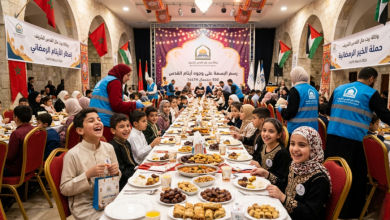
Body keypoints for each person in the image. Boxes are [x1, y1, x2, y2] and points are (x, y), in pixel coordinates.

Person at [325, 67, 390, 218]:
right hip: (354, 141)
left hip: (333, 137)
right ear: (372, 79)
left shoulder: (339, 89)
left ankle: (329, 205)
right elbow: (385, 115)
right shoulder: (370, 92)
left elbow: (328, 110)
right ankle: (349, 212)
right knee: (353, 177)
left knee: (332, 172)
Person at [257, 126, 331, 220]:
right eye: (292, 144)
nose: (295, 149)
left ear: (313, 148)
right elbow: (284, 185)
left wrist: (283, 198)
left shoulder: (319, 178)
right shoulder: (294, 166)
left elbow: (310, 214)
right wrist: (267, 174)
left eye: (302, 145)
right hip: (284, 212)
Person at [60, 108, 120, 220]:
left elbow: (117, 176)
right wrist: (87, 175)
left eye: (99, 119)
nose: (98, 122)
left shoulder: (109, 147)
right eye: (91, 121)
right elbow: (65, 188)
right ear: (80, 130)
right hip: (86, 206)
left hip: (109, 198)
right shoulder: (73, 154)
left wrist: (116, 172)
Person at [90, 64, 142, 142]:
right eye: (127, 75)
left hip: (96, 119)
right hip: (106, 121)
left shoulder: (104, 80)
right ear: (121, 73)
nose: (129, 78)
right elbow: (116, 105)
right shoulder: (115, 82)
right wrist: (134, 104)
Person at [279, 67, 319, 139]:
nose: (291, 79)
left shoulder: (295, 90)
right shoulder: (314, 90)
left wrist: (281, 109)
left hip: (297, 129)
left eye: (291, 77)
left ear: (296, 76)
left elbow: (290, 113)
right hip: (312, 129)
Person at [4, 105, 34, 177]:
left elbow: (9, 157)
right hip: (31, 166)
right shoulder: (35, 129)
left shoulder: (17, 133)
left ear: (16, 118)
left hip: (15, 169)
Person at [109, 113, 137, 191]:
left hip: (132, 175)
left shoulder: (126, 142)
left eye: (128, 126)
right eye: (121, 127)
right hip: (124, 183)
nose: (126, 129)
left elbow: (132, 162)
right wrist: (135, 175)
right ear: (113, 131)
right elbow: (121, 170)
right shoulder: (114, 147)